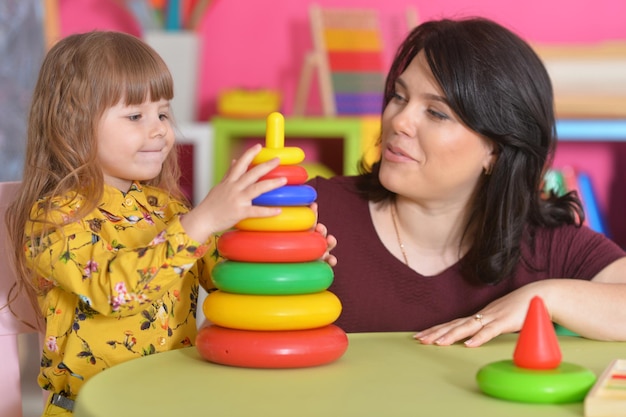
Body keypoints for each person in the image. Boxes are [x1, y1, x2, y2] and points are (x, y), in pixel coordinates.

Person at [5, 31, 335, 416]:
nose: (160, 129)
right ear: (71, 124)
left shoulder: (167, 208)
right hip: (88, 408)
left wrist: (285, 257)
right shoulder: (54, 219)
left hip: (173, 402)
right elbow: (114, 291)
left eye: (162, 113)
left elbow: (223, 278)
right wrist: (204, 219)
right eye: (135, 116)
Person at [309, 17, 626, 347]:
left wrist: (545, 298)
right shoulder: (313, 211)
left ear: (496, 151)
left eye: (436, 113)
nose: (399, 120)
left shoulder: (544, 247)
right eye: (400, 97)